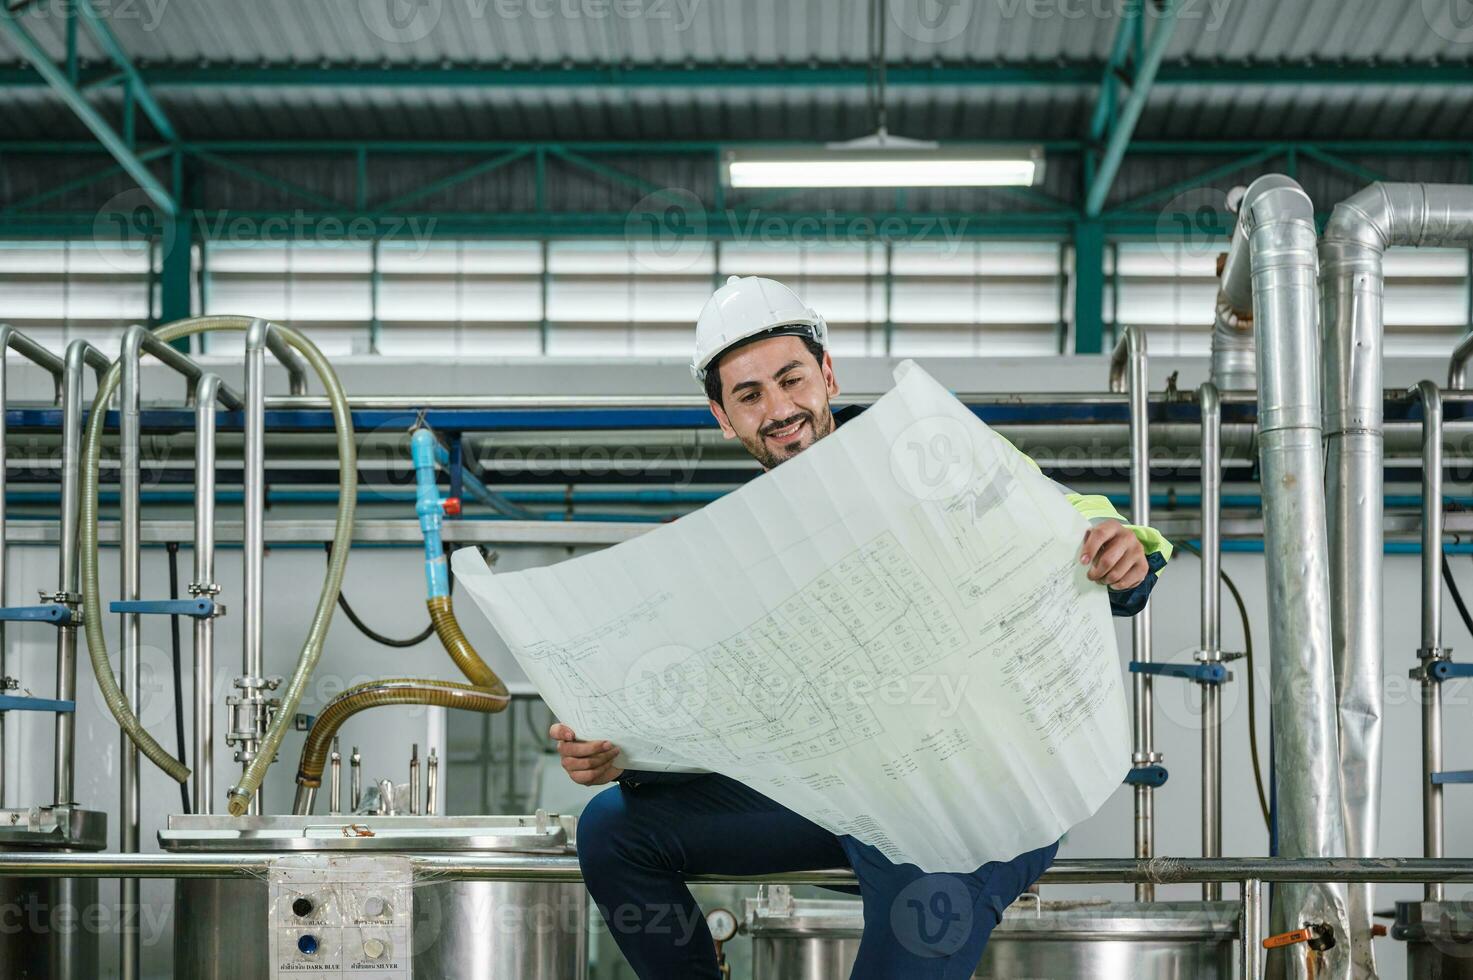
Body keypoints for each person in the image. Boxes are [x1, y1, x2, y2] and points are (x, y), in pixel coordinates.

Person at [549, 276, 1171, 979]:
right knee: (611, 830)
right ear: (722, 417)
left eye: (791, 379)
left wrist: (1124, 554)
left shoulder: (933, 465)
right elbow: (716, 709)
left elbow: (1071, 517)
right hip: (838, 789)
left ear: (828, 375)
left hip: (967, 793)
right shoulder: (735, 546)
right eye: (749, 396)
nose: (779, 409)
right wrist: (618, 749)